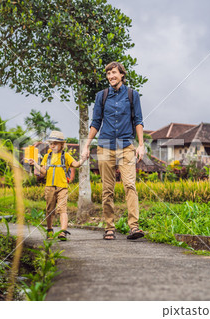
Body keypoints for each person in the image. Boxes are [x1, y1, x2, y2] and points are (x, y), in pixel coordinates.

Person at [81, 61, 145, 240]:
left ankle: (134, 227)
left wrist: (141, 144)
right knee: (107, 189)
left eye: (114, 73)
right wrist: (87, 145)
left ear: (122, 75)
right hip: (105, 147)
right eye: (108, 74)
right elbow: (96, 122)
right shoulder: (101, 96)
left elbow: (138, 120)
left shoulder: (133, 95)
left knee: (130, 185)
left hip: (126, 146)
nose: (111, 76)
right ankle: (109, 227)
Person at [29, 130, 85, 241]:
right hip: (49, 187)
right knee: (49, 210)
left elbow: (77, 164)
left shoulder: (66, 156)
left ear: (62, 145)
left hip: (62, 187)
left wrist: (83, 159)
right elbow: (43, 172)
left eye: (55, 143)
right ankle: (49, 230)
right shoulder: (46, 157)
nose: (52, 145)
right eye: (51, 143)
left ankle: (63, 232)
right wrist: (35, 163)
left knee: (62, 209)